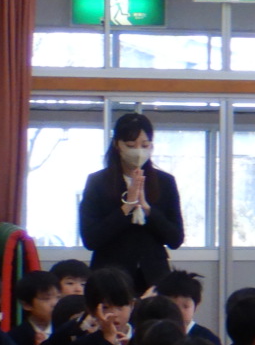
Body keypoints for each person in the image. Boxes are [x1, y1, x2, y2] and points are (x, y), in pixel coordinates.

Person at [77, 112, 185, 291]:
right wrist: (127, 206)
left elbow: (176, 239)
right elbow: (91, 239)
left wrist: (147, 210)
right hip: (110, 278)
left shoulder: (165, 182)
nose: (138, 151)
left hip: (154, 277)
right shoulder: (98, 182)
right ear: (117, 145)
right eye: (130, 145)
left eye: (145, 145)